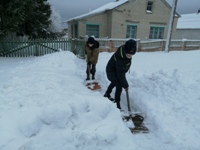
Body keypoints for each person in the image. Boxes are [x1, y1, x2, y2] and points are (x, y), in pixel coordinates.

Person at [104, 39, 137, 109]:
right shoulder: (120, 58)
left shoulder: (125, 55)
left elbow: (121, 72)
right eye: (129, 54)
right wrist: (125, 85)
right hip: (111, 71)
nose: (130, 56)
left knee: (115, 82)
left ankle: (107, 94)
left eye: (132, 54)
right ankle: (117, 102)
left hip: (117, 71)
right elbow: (120, 74)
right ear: (125, 51)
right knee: (119, 85)